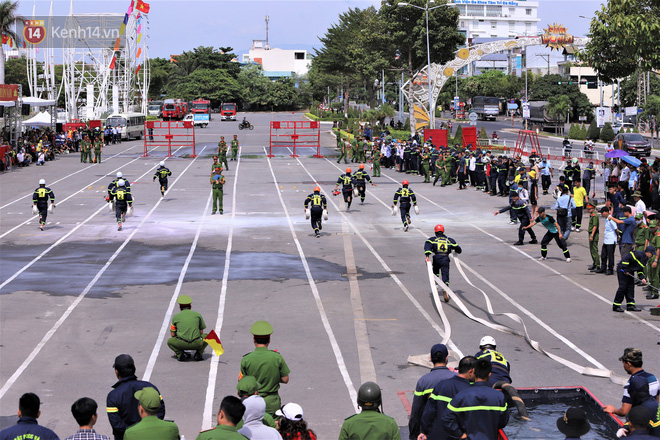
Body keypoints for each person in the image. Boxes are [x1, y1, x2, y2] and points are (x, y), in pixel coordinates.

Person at [442, 359, 509, 440]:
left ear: (473, 372)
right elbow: (503, 422)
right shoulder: (499, 397)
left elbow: (446, 418)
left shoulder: (462, 395)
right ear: (489, 375)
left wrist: (459, 434)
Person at [106, 354, 166, 440]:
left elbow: (117, 424)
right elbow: (160, 411)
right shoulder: (151, 388)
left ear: (116, 372)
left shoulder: (113, 395)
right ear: (134, 369)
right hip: (151, 435)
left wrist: (133, 433)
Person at [419, 356, 477, 440]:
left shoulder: (441, 385)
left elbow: (429, 411)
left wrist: (423, 431)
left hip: (437, 435)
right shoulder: (470, 391)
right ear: (471, 372)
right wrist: (461, 435)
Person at [239, 321, 290, 416]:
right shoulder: (277, 357)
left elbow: (242, 382)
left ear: (254, 339)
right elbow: (285, 379)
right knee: (274, 427)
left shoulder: (246, 359)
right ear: (269, 340)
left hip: (253, 401)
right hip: (272, 402)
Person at [408, 344, 457, 440]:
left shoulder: (423, 381)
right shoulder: (456, 379)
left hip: (429, 434)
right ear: (447, 358)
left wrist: (413, 435)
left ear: (430, 358)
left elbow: (416, 412)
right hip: (452, 433)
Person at [604, 348, 660, 417]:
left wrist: (613, 410)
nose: (623, 365)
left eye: (623, 363)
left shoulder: (631, 384)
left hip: (638, 421)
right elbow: (657, 402)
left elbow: (624, 411)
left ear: (628, 364)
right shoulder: (654, 379)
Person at [424, 226, 463, 302]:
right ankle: (446, 289)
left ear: (435, 232)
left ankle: (436, 286)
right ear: (443, 231)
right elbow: (458, 249)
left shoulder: (432, 239)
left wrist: (427, 256)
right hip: (445, 258)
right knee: (445, 274)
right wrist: (456, 250)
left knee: (435, 272)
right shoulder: (449, 240)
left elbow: (427, 246)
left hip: (436, 258)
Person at [611, 246, 655, 312]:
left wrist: (642, 278)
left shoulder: (645, 259)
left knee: (630, 288)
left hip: (630, 272)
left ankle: (630, 305)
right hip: (622, 270)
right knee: (623, 287)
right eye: (652, 254)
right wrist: (625, 270)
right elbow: (626, 258)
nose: (652, 255)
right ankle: (616, 305)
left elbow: (640, 269)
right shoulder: (638, 254)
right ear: (648, 252)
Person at [167, 294, 208, 362]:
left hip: (182, 344)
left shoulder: (176, 317)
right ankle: (199, 354)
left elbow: (173, 335)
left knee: (169, 342)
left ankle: (180, 354)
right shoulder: (197, 315)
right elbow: (201, 332)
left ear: (180, 308)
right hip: (196, 343)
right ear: (190, 307)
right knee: (208, 336)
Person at [595, 207, 618, 275]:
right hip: (606, 240)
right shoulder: (606, 219)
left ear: (606, 212)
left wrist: (618, 236)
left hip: (611, 240)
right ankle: (603, 268)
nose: (601, 214)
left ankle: (610, 269)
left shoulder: (611, 219)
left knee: (610, 256)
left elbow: (616, 229)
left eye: (602, 213)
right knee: (603, 255)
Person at [586, 202, 600, 271]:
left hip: (594, 234)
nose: (588, 210)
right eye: (587, 209)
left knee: (594, 250)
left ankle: (597, 265)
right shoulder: (592, 215)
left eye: (589, 209)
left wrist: (592, 235)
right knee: (592, 250)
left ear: (593, 208)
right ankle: (594, 263)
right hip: (591, 233)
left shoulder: (594, 216)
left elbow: (595, 226)